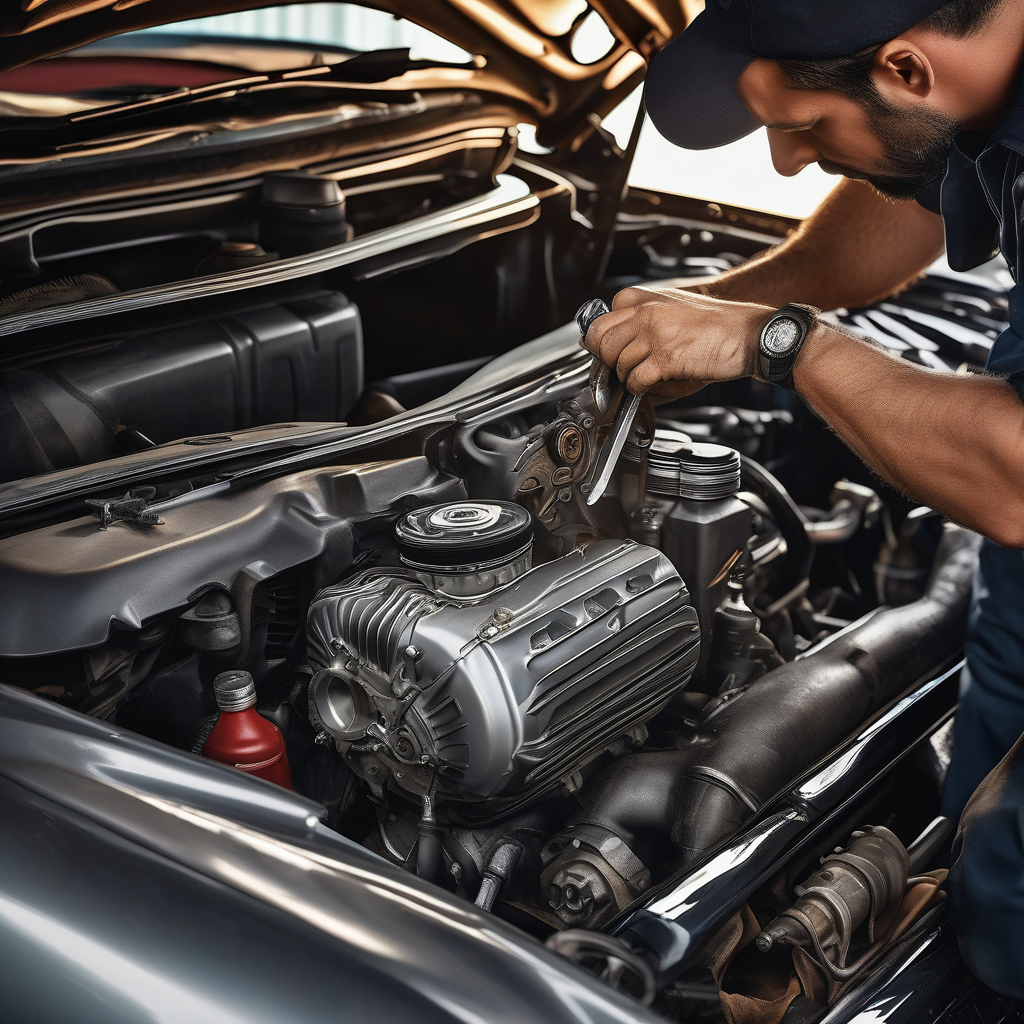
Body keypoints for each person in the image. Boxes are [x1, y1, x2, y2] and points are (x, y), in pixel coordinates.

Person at [578, 0, 1024, 992]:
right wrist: (713, 313)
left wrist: (776, 342)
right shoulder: (967, 79)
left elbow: (1018, 482)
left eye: (805, 127)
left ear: (906, 69)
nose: (784, 164)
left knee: (1010, 894)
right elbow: (907, 193)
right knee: (971, 820)